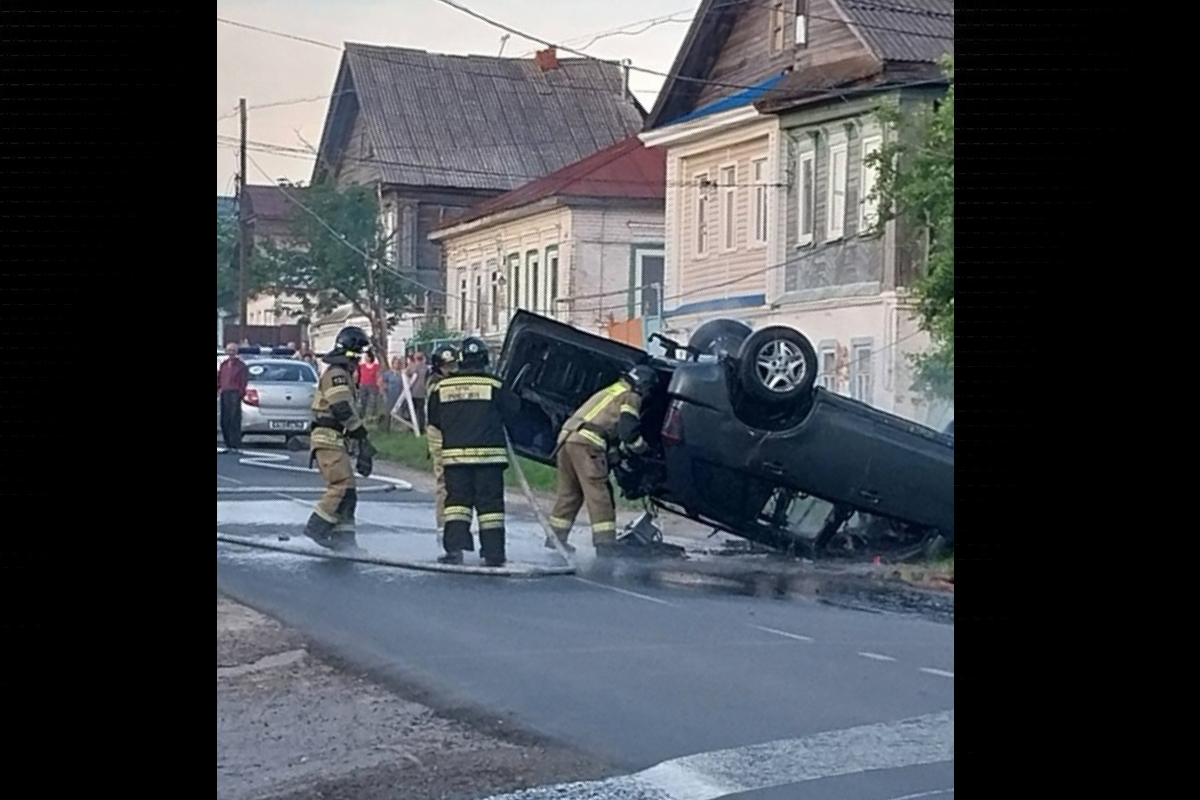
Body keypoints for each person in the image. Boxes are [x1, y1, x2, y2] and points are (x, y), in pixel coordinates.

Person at [425, 337, 518, 567]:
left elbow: (434, 419)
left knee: (456, 505)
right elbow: (514, 410)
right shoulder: (494, 384)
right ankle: (494, 554)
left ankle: (454, 551)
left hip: (455, 459)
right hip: (489, 459)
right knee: (491, 508)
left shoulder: (441, 386)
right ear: (485, 359)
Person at [546, 365, 657, 556]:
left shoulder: (613, 389)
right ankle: (605, 545)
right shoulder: (631, 396)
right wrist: (644, 450)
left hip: (566, 439)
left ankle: (556, 538)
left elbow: (605, 425)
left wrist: (613, 452)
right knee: (599, 493)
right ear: (643, 385)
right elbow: (628, 430)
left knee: (569, 493)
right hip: (587, 443)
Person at [304, 326, 376, 552]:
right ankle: (317, 527)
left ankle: (344, 540)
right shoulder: (336, 374)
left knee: (350, 491)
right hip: (328, 437)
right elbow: (341, 408)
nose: (358, 362)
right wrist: (361, 435)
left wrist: (360, 443)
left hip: (335, 438)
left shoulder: (343, 374)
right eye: (358, 355)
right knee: (342, 484)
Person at [424, 344, 458, 533]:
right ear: (438, 367)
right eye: (448, 367)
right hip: (440, 440)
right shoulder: (435, 385)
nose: (452, 371)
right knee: (444, 484)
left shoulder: (444, 382)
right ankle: (443, 527)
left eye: (453, 366)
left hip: (450, 438)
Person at [217, 342, 250, 453]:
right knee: (224, 419)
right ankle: (227, 444)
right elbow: (219, 378)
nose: (231, 353)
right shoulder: (224, 364)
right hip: (225, 393)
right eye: (229, 350)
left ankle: (234, 444)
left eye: (233, 351)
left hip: (235, 393)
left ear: (237, 352)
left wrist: (240, 393)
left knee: (234, 419)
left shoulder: (241, 366)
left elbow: (243, 381)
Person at [357, 350, 383, 423]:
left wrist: (380, 385)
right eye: (364, 357)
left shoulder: (376, 366)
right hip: (363, 385)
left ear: (370, 357)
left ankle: (372, 416)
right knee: (363, 401)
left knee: (373, 401)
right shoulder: (361, 366)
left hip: (373, 385)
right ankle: (362, 416)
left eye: (366, 357)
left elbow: (378, 376)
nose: (365, 358)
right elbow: (357, 374)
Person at [381, 355, 406, 433]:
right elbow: (383, 383)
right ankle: (386, 428)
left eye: (398, 363)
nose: (397, 364)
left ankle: (397, 428)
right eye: (396, 363)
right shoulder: (388, 374)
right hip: (390, 395)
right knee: (388, 412)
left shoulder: (402, 374)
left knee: (398, 412)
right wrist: (384, 393)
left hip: (399, 395)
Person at [409, 351, 428, 434]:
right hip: (422, 392)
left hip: (413, 392)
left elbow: (404, 374)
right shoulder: (426, 368)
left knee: (414, 410)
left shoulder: (412, 367)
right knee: (420, 411)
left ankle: (414, 427)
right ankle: (421, 428)